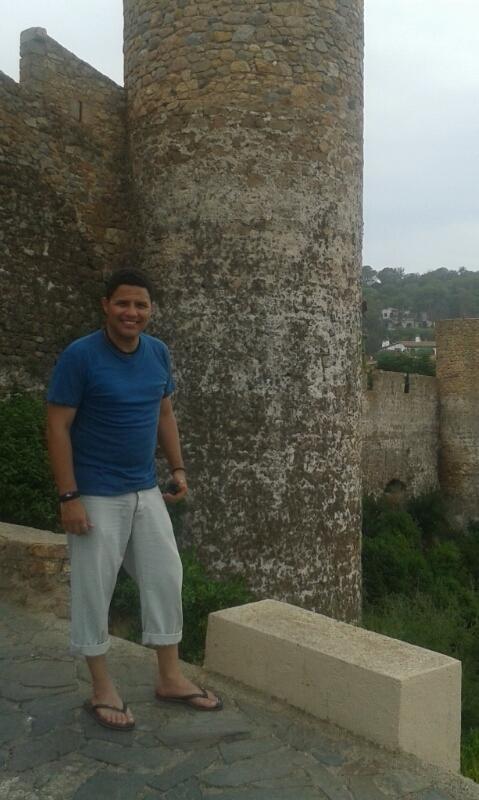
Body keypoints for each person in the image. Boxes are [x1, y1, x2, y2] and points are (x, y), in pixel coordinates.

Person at [46, 268, 222, 731]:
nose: (132, 312)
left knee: (165, 576)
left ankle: (170, 676)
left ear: (151, 310)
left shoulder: (158, 353)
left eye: (141, 305)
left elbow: (164, 411)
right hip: (96, 492)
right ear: (106, 305)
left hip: (145, 488)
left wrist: (178, 469)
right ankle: (102, 687)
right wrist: (69, 496)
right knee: (94, 588)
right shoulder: (80, 357)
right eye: (123, 303)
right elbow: (58, 427)